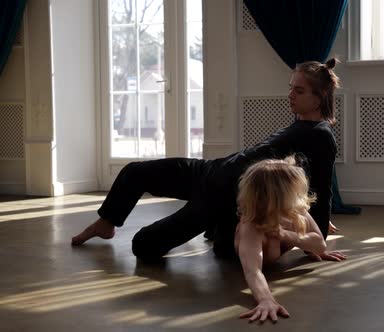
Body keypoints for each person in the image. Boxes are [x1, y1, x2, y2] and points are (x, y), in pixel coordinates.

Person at [71, 58, 346, 322]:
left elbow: (320, 183)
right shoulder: (302, 123)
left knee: (144, 246)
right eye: (290, 87)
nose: (290, 95)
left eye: (298, 90)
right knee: (135, 171)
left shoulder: (320, 135)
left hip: (219, 197)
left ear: (319, 97)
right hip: (212, 169)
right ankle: (107, 222)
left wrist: (317, 233)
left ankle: (219, 228)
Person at [235, 156, 345, 323]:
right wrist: (265, 299)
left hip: (275, 240)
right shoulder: (251, 226)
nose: (300, 195)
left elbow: (320, 244)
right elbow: (253, 271)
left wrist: (285, 235)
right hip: (231, 248)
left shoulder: (296, 211)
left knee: (293, 229)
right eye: (296, 191)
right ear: (280, 197)